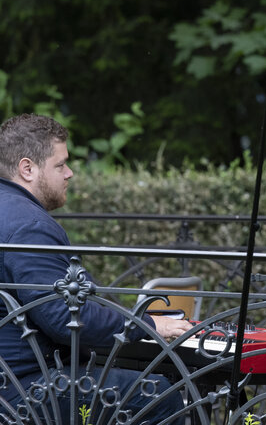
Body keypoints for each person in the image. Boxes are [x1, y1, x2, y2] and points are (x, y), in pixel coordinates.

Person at [0, 113, 193, 423]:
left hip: (14, 381)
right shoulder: (28, 225)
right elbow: (67, 317)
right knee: (158, 393)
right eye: (60, 165)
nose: (70, 173)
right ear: (27, 168)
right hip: (20, 392)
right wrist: (150, 326)